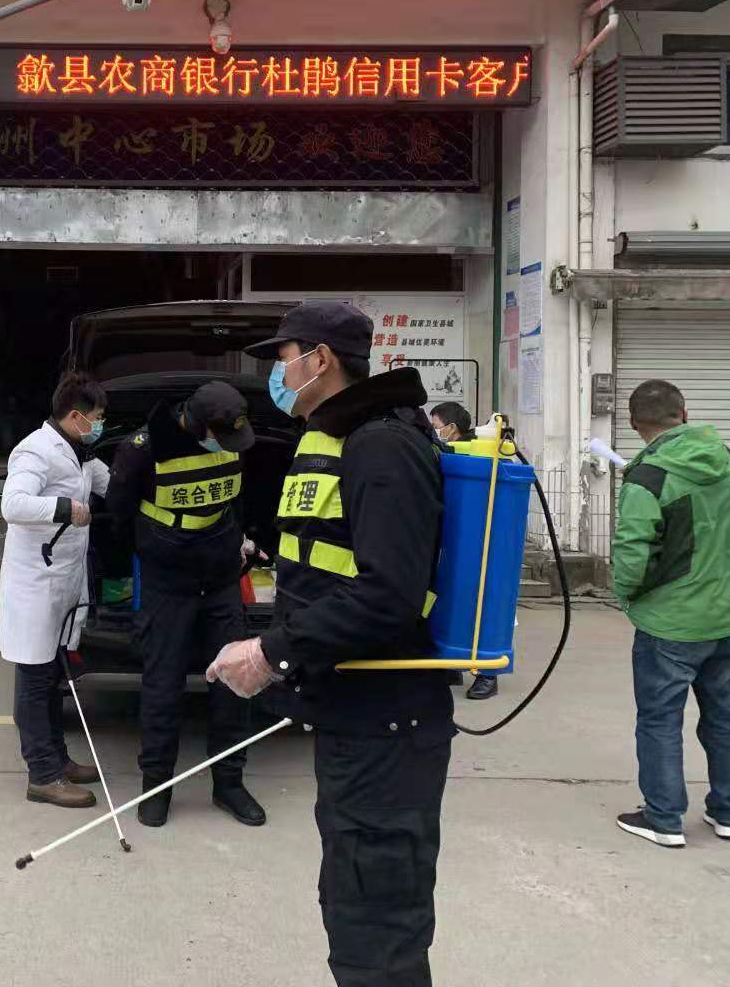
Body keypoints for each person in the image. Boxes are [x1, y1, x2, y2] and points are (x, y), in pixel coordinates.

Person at [207, 301, 452, 987]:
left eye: (284, 359)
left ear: (320, 359)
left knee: (377, 929)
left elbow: (387, 595)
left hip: (387, 724)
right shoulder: (344, 436)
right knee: (354, 907)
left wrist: (271, 652)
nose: (278, 375)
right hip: (356, 716)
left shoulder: (381, 446)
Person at [105, 381, 266, 827]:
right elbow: (119, 514)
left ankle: (229, 784)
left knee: (235, 681)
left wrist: (241, 543)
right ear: (195, 425)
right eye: (220, 435)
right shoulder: (142, 449)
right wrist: (156, 551)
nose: (227, 443)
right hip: (168, 581)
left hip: (221, 577)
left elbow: (237, 501)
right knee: (162, 687)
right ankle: (156, 787)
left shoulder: (231, 440)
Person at [613, 379, 730, 848]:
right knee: (725, 717)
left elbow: (632, 555)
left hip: (670, 622)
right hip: (726, 612)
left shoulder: (646, 477)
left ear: (634, 424)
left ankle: (664, 817)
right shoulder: (721, 457)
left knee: (659, 719)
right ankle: (729, 814)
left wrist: (626, 597)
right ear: (684, 414)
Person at [0, 372, 112, 809]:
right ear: (76, 415)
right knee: (34, 676)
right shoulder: (35, 450)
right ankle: (43, 775)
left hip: (63, 579)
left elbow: (113, 484)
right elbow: (13, 504)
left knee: (52, 676)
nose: (100, 424)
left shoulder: (81, 453)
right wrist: (66, 508)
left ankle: (59, 759)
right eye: (97, 417)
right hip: (35, 583)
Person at [428, 402, 500, 702]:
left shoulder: (478, 452)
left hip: (480, 541)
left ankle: (487, 673)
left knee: (481, 604)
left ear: (452, 428)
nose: (435, 432)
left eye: (436, 427)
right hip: (454, 536)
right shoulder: (447, 452)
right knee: (450, 601)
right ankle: (451, 663)